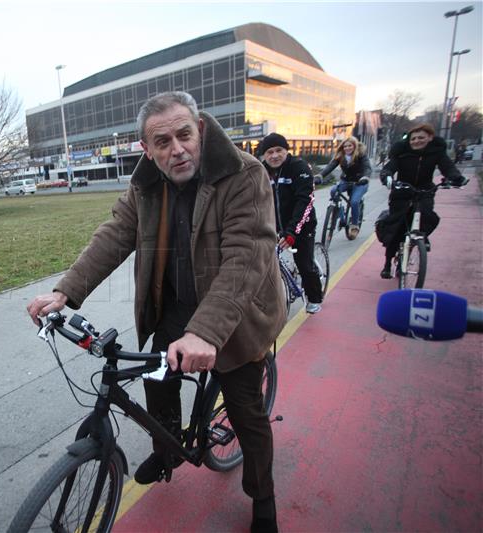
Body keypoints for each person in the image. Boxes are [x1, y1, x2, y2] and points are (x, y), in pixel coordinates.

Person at [27, 92, 287, 533]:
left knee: (247, 413)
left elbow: (247, 256)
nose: (177, 149)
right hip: (176, 306)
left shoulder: (245, 174)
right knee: (156, 382)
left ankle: (263, 497)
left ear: (200, 130)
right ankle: (166, 450)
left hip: (236, 316)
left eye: (184, 135)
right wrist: (65, 292)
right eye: (162, 141)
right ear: (146, 148)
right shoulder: (145, 184)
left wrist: (206, 332)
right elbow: (114, 235)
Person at [378, 123, 466, 278]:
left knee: (426, 216)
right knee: (396, 227)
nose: (417, 141)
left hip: (425, 190)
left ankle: (419, 239)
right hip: (402, 191)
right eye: (413, 138)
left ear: (430, 138)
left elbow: (448, 167)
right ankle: (387, 263)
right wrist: (387, 176)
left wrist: (456, 178)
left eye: (421, 138)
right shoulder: (402, 152)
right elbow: (390, 167)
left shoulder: (436, 153)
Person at [260, 133, 324, 314]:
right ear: (264, 155)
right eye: (269, 152)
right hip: (276, 226)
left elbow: (305, 201)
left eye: (279, 150)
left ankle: (314, 298)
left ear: (286, 151)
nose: (274, 155)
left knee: (304, 264)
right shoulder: (261, 171)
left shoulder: (299, 167)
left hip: (302, 226)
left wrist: (292, 232)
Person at [317, 136, 372, 240]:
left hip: (360, 182)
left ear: (354, 146)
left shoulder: (361, 155)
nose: (347, 148)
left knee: (354, 202)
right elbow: (330, 166)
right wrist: (320, 176)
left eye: (350, 146)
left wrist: (365, 177)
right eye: (345, 146)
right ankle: (339, 210)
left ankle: (354, 225)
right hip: (346, 181)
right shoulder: (341, 156)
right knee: (333, 191)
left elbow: (367, 167)